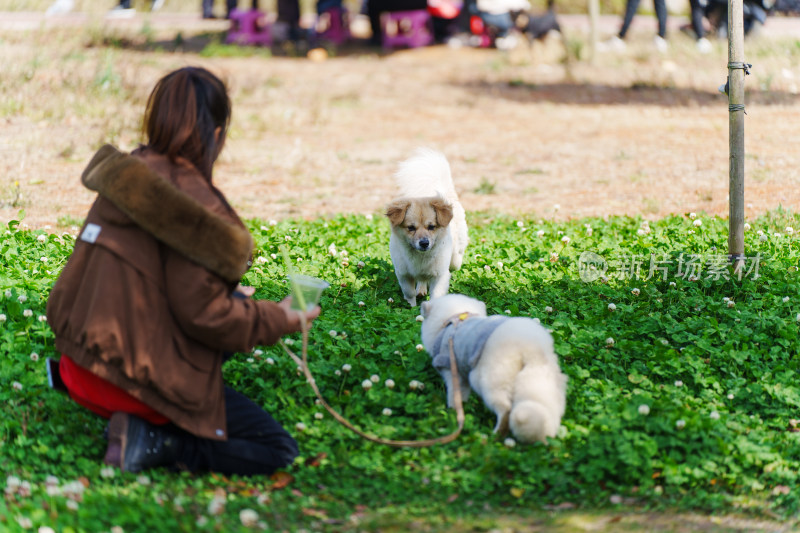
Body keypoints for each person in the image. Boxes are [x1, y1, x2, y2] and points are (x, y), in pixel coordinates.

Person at [46, 67, 321, 476]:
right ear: (217, 134)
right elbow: (205, 316)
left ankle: (139, 418)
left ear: (155, 118)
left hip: (77, 365)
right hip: (126, 382)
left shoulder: (126, 172)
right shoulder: (198, 208)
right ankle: (155, 440)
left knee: (233, 301)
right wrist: (277, 318)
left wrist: (235, 300)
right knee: (276, 448)